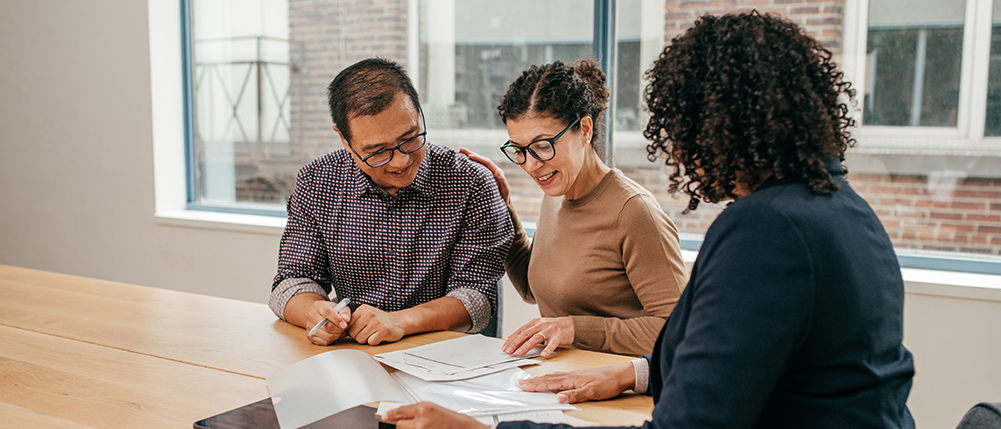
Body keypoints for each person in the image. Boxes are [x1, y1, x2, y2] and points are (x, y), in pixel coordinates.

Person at [385, 12, 915, 429]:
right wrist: (637, 374)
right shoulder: (844, 209)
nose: (683, 155)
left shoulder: (766, 230)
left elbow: (690, 415)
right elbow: (753, 366)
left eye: (684, 133)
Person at [269, 58, 514, 346]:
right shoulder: (317, 181)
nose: (400, 161)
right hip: (358, 352)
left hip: (448, 356)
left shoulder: (471, 183)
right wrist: (313, 312)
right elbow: (292, 280)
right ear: (345, 140)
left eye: (410, 138)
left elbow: (476, 298)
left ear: (419, 112)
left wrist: (400, 321)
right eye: (377, 151)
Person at [464, 58, 688, 358]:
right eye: (519, 150)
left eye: (543, 146)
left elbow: (676, 331)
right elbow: (534, 288)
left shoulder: (634, 212)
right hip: (559, 379)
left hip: (616, 393)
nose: (531, 165)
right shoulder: (556, 194)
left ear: (584, 129)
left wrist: (574, 329)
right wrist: (501, 206)